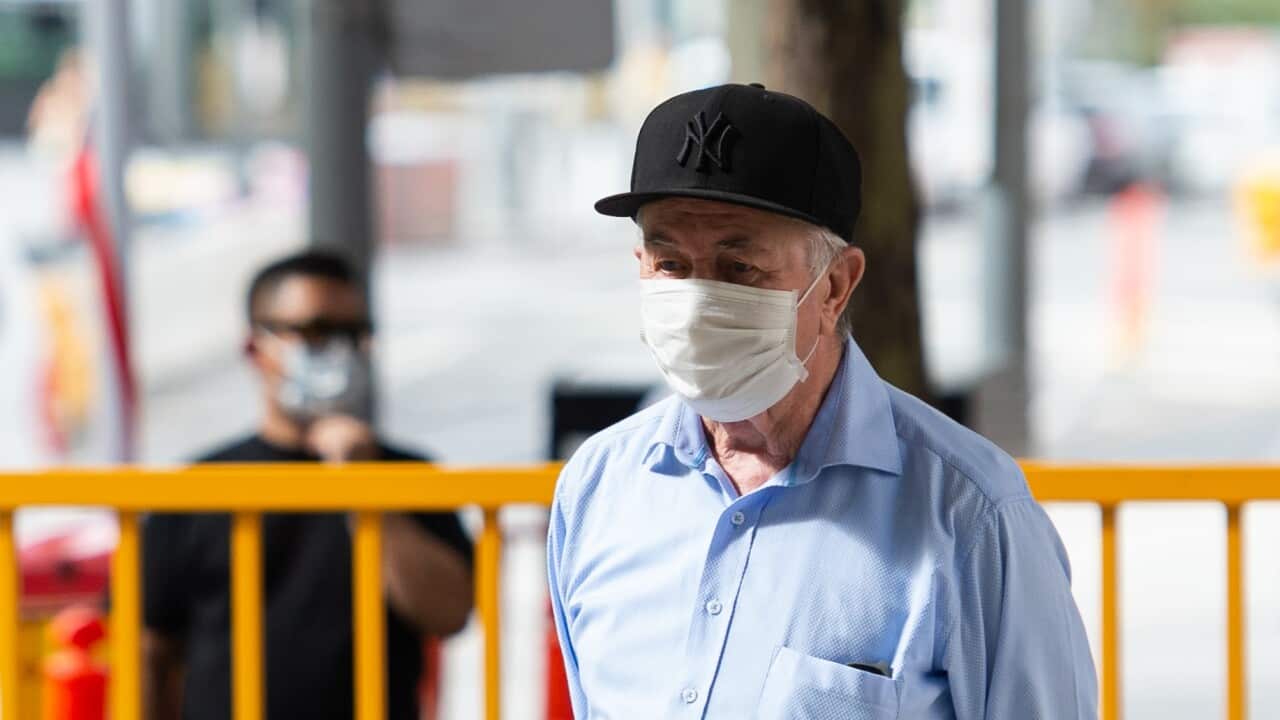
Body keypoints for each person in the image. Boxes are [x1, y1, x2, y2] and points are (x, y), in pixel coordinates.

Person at [548, 83, 1097, 718]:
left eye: (739, 269)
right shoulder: (599, 490)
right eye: (671, 266)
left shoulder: (970, 515)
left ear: (835, 285)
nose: (697, 303)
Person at [142, 251, 473, 720]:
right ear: (255, 348)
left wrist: (362, 487)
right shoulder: (197, 489)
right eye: (313, 332)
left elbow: (448, 613)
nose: (335, 351)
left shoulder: (409, 476)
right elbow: (150, 651)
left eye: (351, 334)